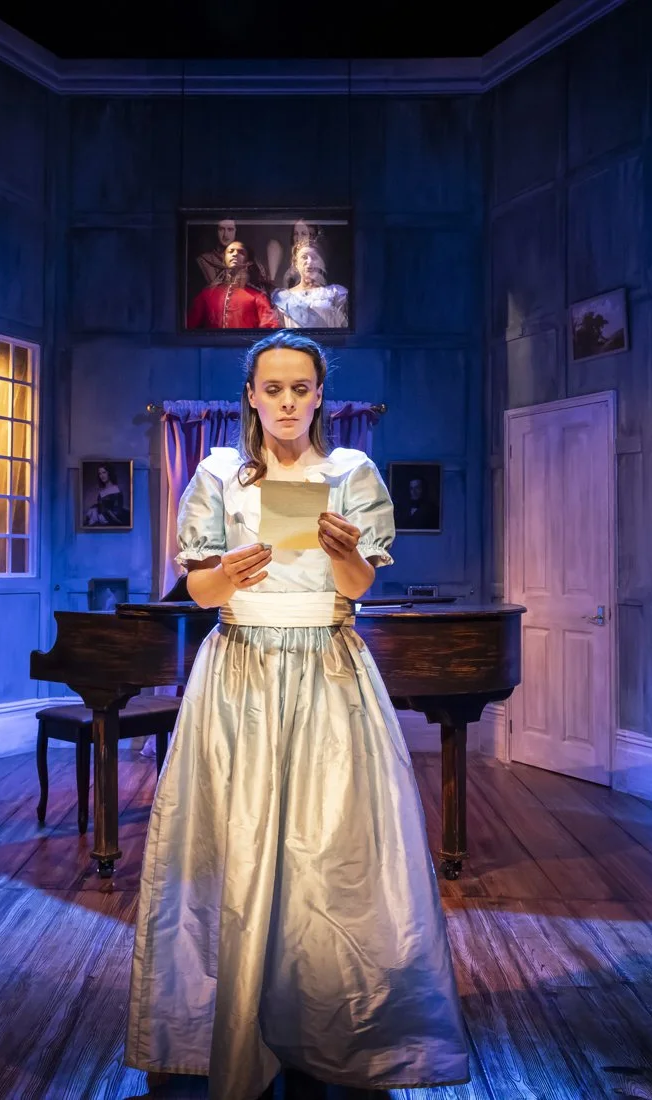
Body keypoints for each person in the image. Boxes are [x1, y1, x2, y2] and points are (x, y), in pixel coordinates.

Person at [125, 331, 469, 1098]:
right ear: (249, 395)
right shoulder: (216, 474)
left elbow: (358, 584)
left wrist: (343, 551)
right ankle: (227, 1016)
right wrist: (225, 571)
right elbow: (202, 596)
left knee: (331, 854)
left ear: (320, 397)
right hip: (240, 670)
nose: (285, 402)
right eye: (272, 388)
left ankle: (328, 1024)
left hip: (327, 671)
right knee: (233, 844)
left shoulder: (351, 473)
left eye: (300, 389)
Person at [186, 241, 281, 330]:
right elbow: (190, 327)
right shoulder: (207, 294)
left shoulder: (258, 297)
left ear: (249, 262)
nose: (235, 254)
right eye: (230, 251)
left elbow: (270, 328)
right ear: (224, 261)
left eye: (241, 252)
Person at [271, 240, 349, 329]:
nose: (309, 262)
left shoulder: (336, 293)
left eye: (314, 257)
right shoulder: (282, 298)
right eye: (304, 257)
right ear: (295, 263)